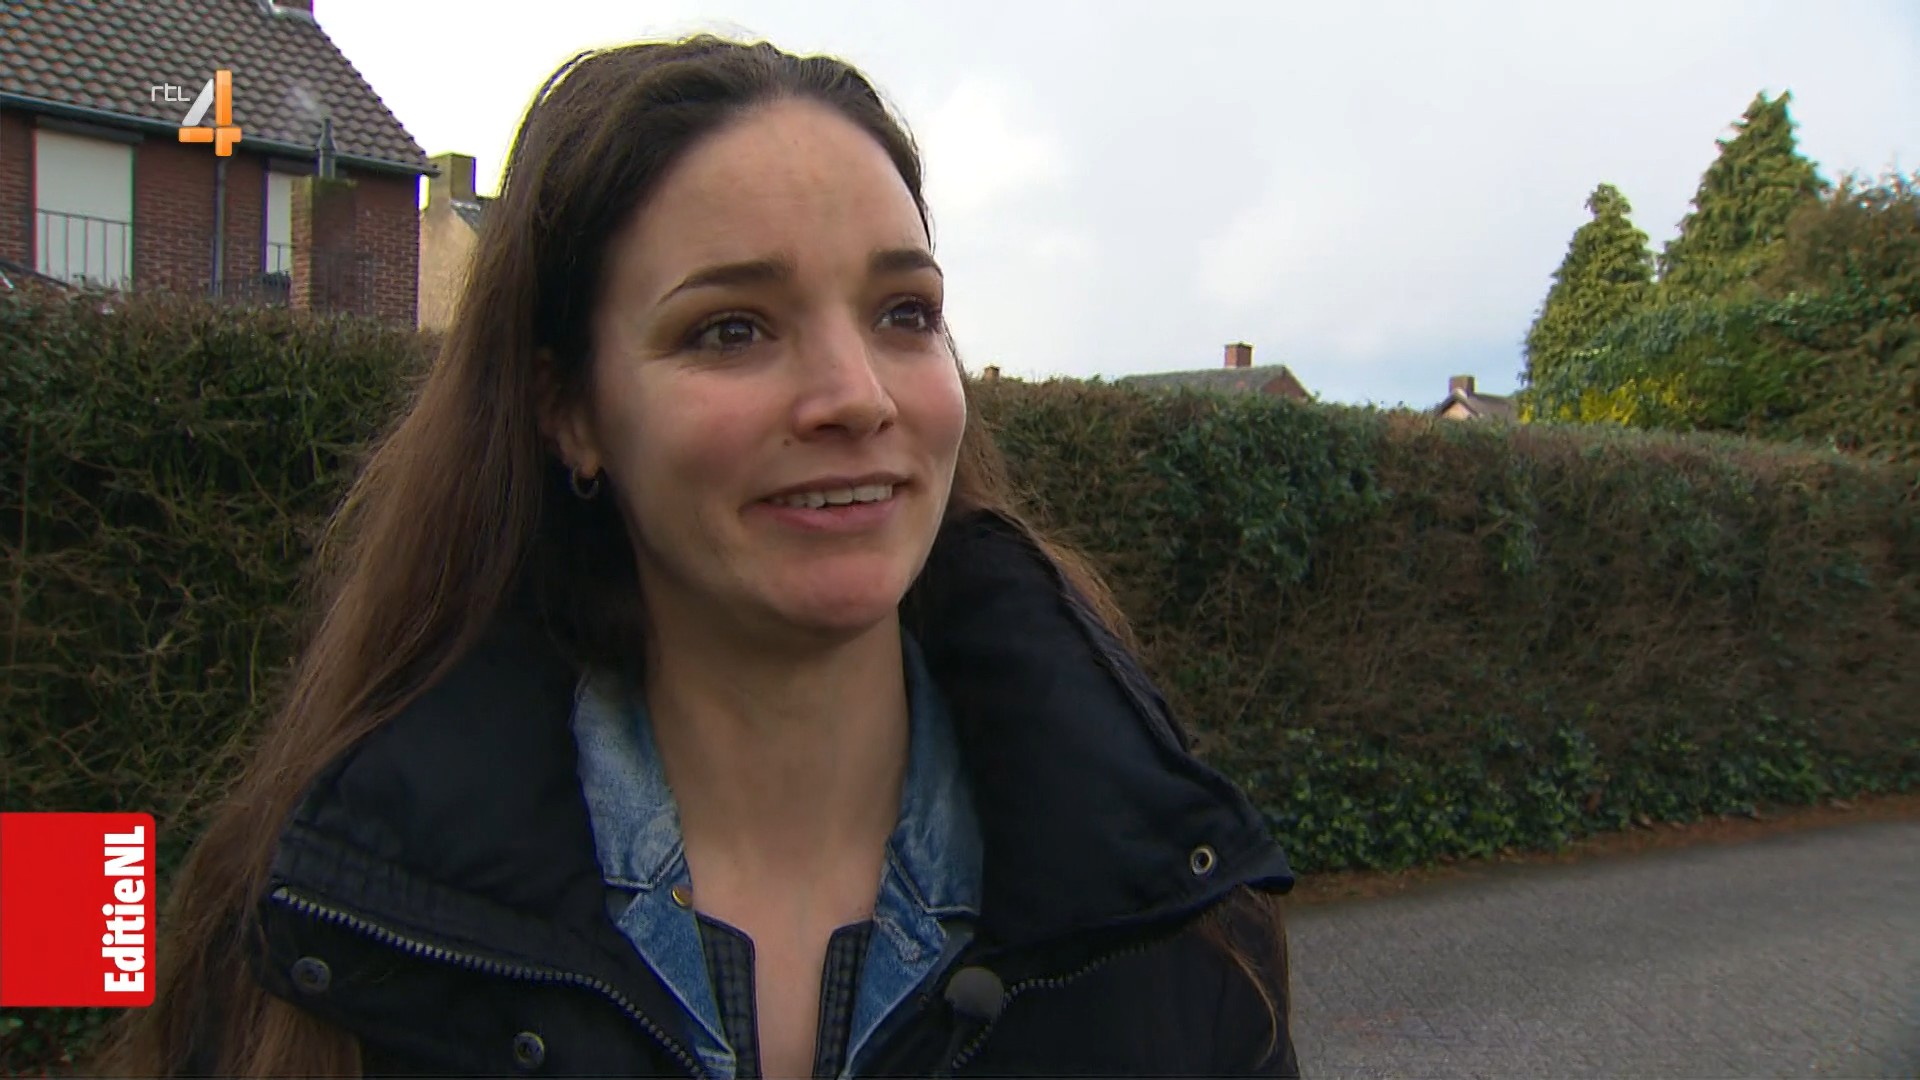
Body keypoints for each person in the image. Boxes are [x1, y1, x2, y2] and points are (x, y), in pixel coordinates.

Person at [101, 35, 1298, 1079]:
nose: (857, 395)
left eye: (905, 313)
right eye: (732, 328)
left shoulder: (1175, 929)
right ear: (570, 411)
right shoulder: (322, 946)